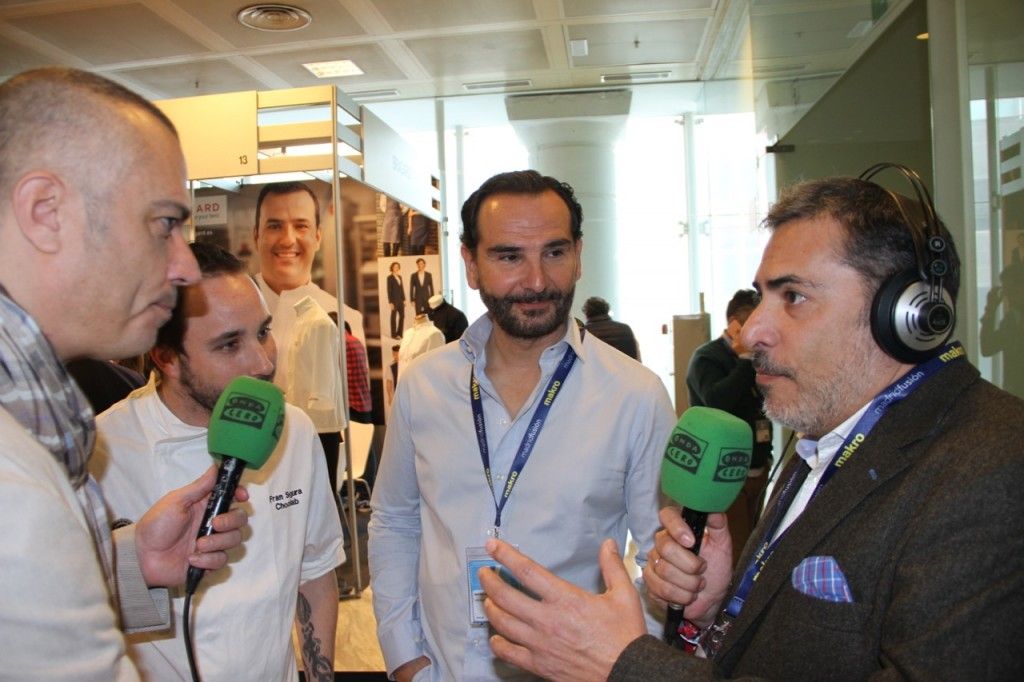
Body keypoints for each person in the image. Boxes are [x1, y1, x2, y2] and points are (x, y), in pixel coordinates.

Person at [477, 174, 1024, 681]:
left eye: (794, 297)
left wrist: (626, 666)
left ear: (906, 313)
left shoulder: (994, 467)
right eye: (763, 296)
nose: (754, 329)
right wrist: (720, 607)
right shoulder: (822, 442)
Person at [368, 170, 676, 681]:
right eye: (510, 256)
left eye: (554, 253)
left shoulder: (635, 397)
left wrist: (621, 667)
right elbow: (394, 520)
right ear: (470, 262)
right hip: (440, 669)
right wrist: (405, 657)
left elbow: (659, 559)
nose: (536, 280)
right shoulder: (423, 386)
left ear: (578, 254)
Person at [0, 67, 248, 677]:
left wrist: (125, 562)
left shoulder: (33, 434)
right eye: (165, 224)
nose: (187, 266)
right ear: (45, 211)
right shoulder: (13, 488)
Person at [91, 242, 344, 681]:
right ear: (165, 357)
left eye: (263, 331)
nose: (263, 362)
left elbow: (315, 573)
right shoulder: (101, 454)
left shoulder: (296, 431)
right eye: (229, 345)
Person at [685, 289, 772, 564]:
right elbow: (716, 401)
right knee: (735, 552)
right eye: (749, 322)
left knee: (754, 543)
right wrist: (745, 363)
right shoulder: (708, 358)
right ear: (734, 323)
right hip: (724, 472)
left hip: (758, 465)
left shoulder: (760, 357)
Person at [980, 263, 1024, 397]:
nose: (1008, 296)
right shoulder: (1010, 320)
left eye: (1011, 290)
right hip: (1015, 395)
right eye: (1006, 291)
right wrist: (990, 310)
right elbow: (987, 348)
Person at [582, 296, 640, 360]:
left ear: (586, 313)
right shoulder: (625, 329)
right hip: (627, 369)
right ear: (607, 311)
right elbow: (637, 357)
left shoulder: (583, 333)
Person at [387, 261, 406, 339]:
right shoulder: (389, 278)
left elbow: (402, 289)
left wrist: (404, 299)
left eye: (397, 267)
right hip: (394, 301)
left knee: (402, 316)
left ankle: (399, 334)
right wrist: (390, 302)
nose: (396, 268)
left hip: (401, 301)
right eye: (395, 267)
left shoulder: (400, 277)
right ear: (392, 268)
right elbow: (389, 290)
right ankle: (393, 335)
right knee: (393, 317)